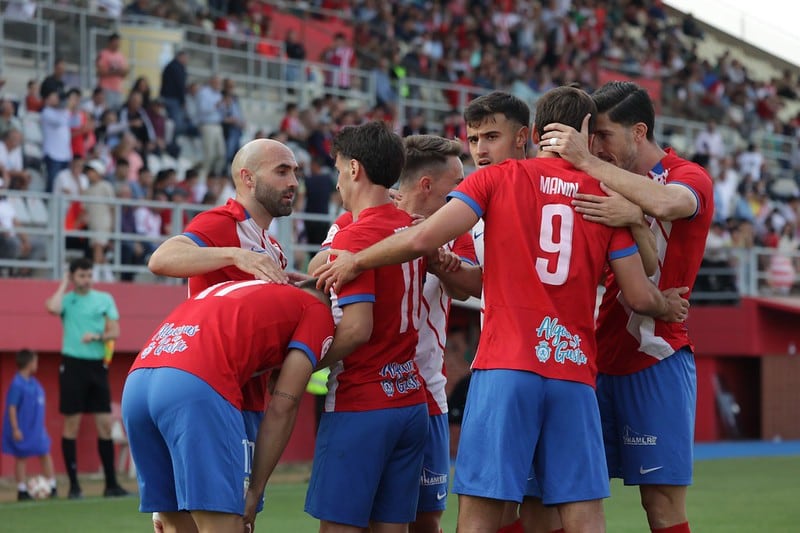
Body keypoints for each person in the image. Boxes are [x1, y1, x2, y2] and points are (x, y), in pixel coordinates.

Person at [313, 87, 690, 533]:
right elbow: (637, 289)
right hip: (572, 371)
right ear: (586, 134)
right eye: (474, 139)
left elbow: (421, 239)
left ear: (531, 134)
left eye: (488, 137)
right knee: (582, 513)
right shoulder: (601, 195)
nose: (479, 149)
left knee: (481, 512)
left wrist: (357, 259)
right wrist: (655, 277)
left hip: (507, 365)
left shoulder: (496, 181)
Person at [541, 81, 713, 533]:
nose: (595, 145)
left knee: (660, 505)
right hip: (589, 358)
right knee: (555, 495)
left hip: (655, 359)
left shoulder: (686, 176)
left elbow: (668, 203)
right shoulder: (596, 179)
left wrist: (590, 164)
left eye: (603, 135)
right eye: (589, 136)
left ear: (639, 132)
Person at [308, 134, 476, 533]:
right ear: (425, 184)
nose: (464, 194)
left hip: (409, 391)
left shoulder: (448, 230)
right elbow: (322, 263)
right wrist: (397, 238)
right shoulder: (362, 222)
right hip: (400, 389)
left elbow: (469, 286)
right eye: (456, 185)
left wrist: (433, 254)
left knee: (419, 520)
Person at [147, 138, 304, 530]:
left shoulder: (272, 246)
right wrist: (235, 255)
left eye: (296, 172)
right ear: (247, 179)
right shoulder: (222, 222)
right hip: (214, 397)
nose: (294, 182)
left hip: (246, 397)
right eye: (282, 171)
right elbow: (161, 258)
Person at [122, 279, 335, 533]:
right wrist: (255, 490)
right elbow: (282, 407)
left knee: (177, 524)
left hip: (138, 381)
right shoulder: (318, 309)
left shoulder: (248, 290)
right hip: (195, 383)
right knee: (225, 523)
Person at [304, 121, 430, 532]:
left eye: (340, 169)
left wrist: (301, 364)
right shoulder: (413, 228)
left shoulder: (356, 237)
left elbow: (357, 328)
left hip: (363, 401)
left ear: (355, 169)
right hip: (410, 398)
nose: (338, 181)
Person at [44, 257, 128, 499]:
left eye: (89, 274)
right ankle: (73, 486)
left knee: (104, 424)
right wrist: (63, 284)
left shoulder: (104, 299)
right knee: (72, 424)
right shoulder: (67, 301)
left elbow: (116, 331)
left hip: (97, 366)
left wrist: (97, 336)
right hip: (72, 365)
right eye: (81, 275)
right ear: (73, 277)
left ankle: (111, 484)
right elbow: (52, 307)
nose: (86, 279)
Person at [2, 349, 57, 501]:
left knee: (45, 453)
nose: (37, 364)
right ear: (29, 363)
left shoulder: (35, 383)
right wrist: (15, 428)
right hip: (23, 429)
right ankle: (22, 489)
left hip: (37, 430)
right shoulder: (17, 384)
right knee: (21, 457)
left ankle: (52, 485)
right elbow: (11, 407)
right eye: (35, 361)